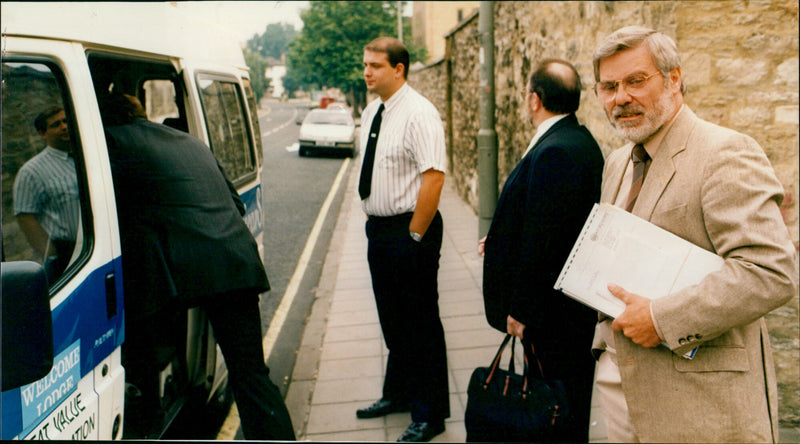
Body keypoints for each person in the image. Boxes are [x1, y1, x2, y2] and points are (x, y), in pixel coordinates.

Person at [590, 26, 798, 442]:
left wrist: (660, 319)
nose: (621, 98)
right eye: (609, 87)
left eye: (636, 81)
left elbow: (771, 272)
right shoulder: (617, 161)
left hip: (699, 403)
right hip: (620, 384)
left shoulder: (725, 152)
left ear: (674, 79)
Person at [98, 92, 295, 441]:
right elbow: (236, 203)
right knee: (250, 374)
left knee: (143, 347)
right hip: (236, 262)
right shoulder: (188, 140)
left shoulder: (112, 142)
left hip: (185, 272)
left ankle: (148, 415)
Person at [479, 59, 604, 442]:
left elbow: (544, 242)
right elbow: (545, 218)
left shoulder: (556, 151)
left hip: (553, 317)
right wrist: (498, 240)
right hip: (565, 310)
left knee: (555, 407)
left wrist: (522, 310)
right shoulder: (576, 139)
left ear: (534, 99)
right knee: (563, 403)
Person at [355, 36, 449, 443]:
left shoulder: (419, 113)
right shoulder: (371, 111)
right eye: (365, 64)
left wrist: (414, 235)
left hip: (410, 230)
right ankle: (397, 394)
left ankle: (430, 415)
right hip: (379, 229)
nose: (367, 72)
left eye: (375, 65)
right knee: (393, 321)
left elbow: (434, 176)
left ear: (399, 69)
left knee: (420, 324)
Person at [13, 106, 80, 282]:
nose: (64, 127)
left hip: (97, 244)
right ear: (43, 134)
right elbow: (25, 216)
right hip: (66, 254)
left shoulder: (86, 159)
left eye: (66, 121)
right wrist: (51, 254)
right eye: (56, 125)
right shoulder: (32, 171)